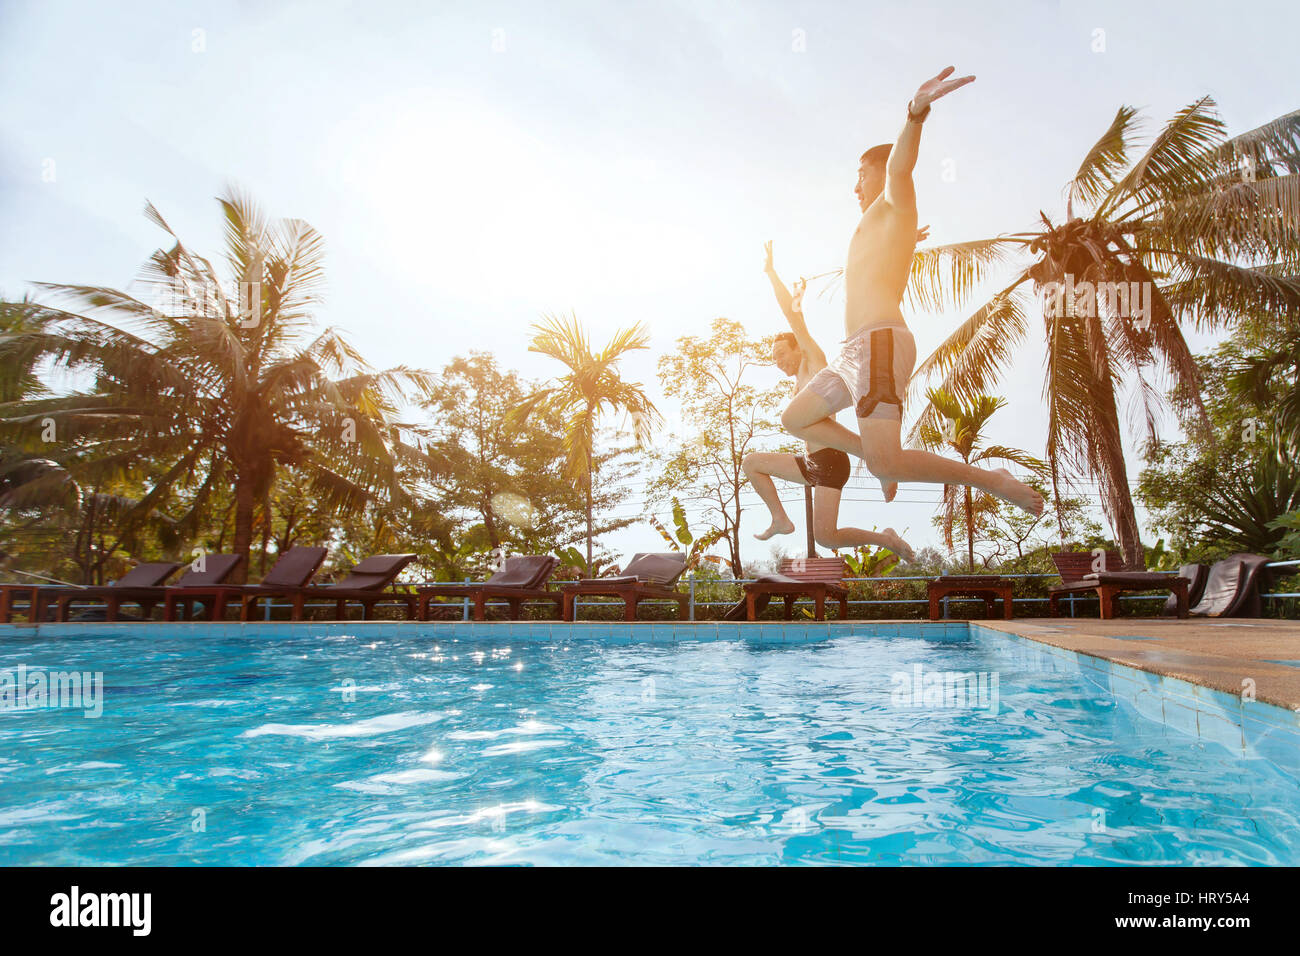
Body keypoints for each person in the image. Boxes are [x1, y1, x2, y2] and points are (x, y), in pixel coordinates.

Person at [780, 67, 1044, 516]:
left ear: (880, 172)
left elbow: (901, 166)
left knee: (888, 465)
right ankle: (879, 458)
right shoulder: (881, 222)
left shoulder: (894, 197)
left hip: (880, 341)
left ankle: (990, 480)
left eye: (861, 174)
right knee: (794, 418)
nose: (855, 186)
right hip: (853, 352)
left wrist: (915, 113)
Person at [742, 241, 914, 562]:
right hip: (812, 465)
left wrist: (770, 273)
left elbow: (792, 318)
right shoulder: (798, 383)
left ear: (798, 349)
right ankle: (782, 519)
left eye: (781, 354)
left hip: (832, 459)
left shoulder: (813, 361)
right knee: (755, 466)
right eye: (774, 359)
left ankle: (879, 465)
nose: (778, 361)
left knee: (826, 535)